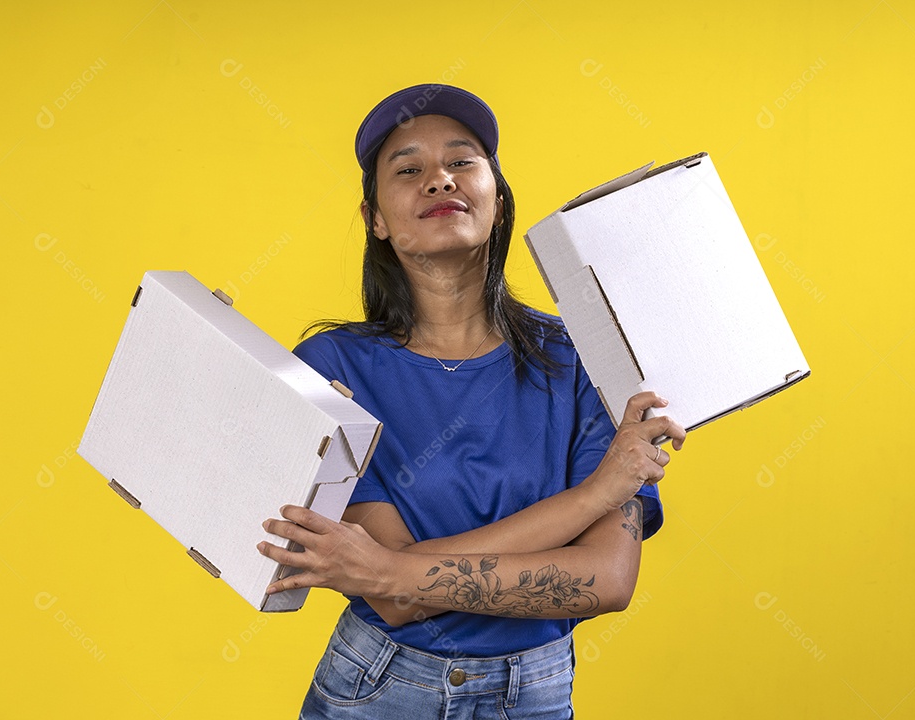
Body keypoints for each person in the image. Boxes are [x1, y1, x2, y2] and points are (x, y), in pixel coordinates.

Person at [257, 83, 686, 719]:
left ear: (499, 202)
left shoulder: (582, 360)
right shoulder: (334, 367)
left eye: (462, 161)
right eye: (408, 169)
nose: (438, 180)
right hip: (380, 691)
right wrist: (595, 494)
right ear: (376, 219)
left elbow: (606, 580)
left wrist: (387, 569)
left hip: (534, 696)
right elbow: (398, 604)